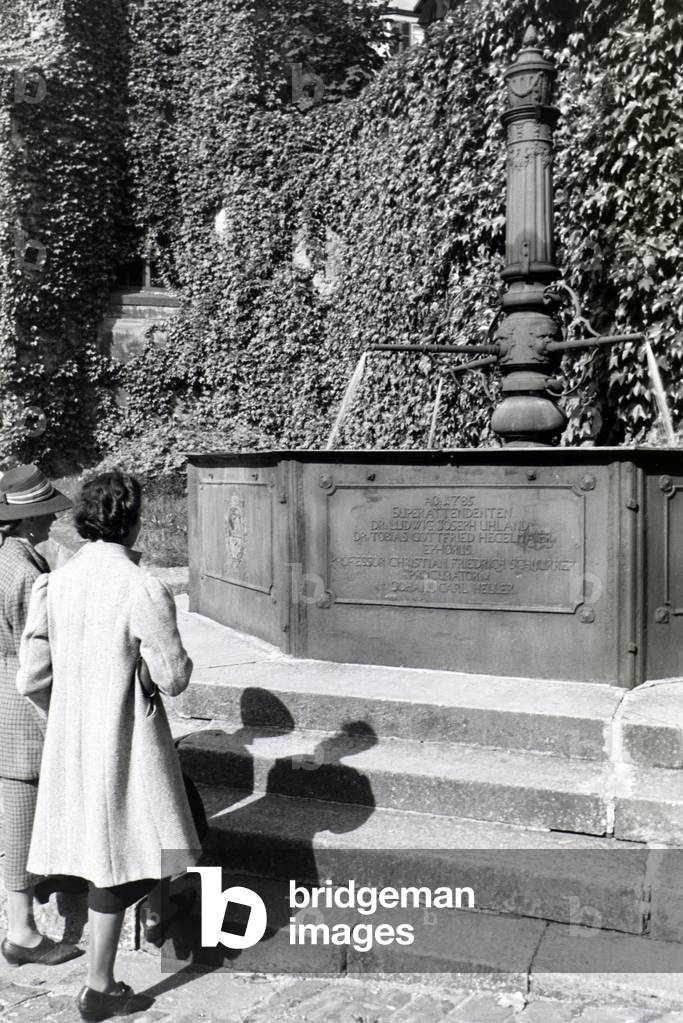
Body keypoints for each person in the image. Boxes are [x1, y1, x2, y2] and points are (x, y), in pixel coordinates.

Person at [17, 470, 200, 1022]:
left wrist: (71, 709)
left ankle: (132, 945)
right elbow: (173, 676)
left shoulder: (57, 581)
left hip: (72, 738)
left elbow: (31, 677)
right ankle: (100, 985)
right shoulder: (141, 586)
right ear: (134, 519)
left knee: (115, 850)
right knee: (132, 851)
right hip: (127, 739)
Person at [0, 464, 80, 967]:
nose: (51, 523)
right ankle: (22, 931)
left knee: (15, 809)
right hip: (21, 706)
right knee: (22, 813)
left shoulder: (6, 559)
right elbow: (38, 655)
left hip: (1, 695)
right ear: (28, 521)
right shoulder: (27, 572)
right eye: (46, 515)